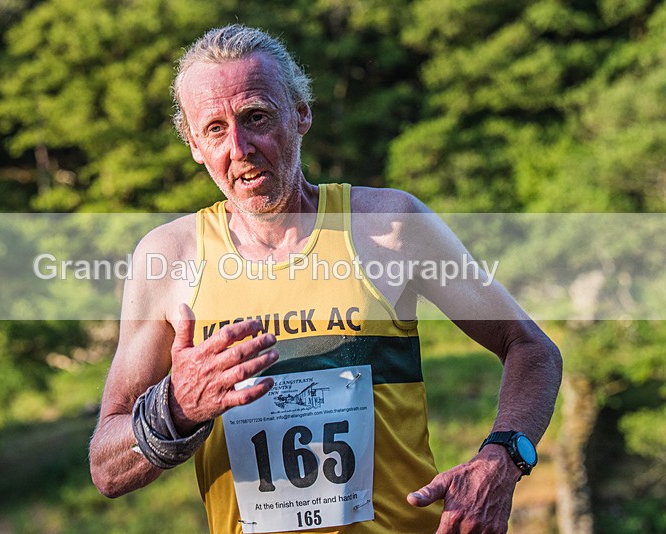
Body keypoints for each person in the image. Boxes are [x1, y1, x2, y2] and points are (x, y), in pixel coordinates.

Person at [89, 24, 562, 534]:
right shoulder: (168, 258)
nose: (240, 148)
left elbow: (530, 348)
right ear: (194, 145)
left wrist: (502, 459)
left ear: (301, 114)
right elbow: (107, 468)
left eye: (256, 117)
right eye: (216, 129)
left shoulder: (390, 226)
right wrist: (176, 409)